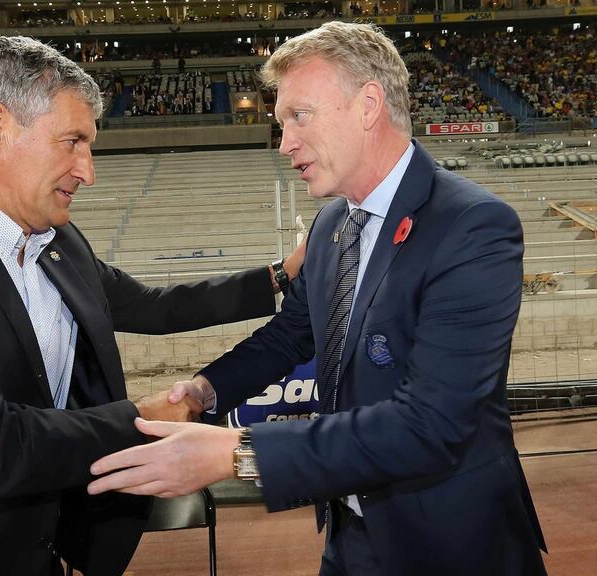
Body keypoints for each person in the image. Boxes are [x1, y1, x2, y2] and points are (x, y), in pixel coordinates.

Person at [0, 35, 303, 576]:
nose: (87, 170)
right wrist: (144, 418)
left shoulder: (56, 241)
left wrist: (279, 276)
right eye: (72, 142)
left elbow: (155, 308)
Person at [88, 22, 547, 576]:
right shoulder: (333, 224)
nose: (285, 144)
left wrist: (237, 453)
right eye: (281, 124)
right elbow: (290, 336)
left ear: (368, 105)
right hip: (349, 532)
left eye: (299, 117)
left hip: (451, 543)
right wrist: (202, 393)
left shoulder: (472, 226)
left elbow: (431, 424)